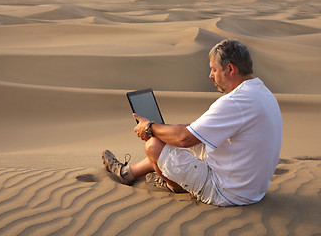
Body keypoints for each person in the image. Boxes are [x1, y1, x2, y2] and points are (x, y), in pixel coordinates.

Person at [102, 39, 282, 206]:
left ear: (230, 69)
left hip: (228, 192)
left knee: (154, 145)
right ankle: (128, 173)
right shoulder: (261, 92)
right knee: (177, 135)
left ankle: (174, 185)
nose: (210, 75)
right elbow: (191, 132)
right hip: (253, 188)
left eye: (214, 69)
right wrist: (165, 130)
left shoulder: (235, 102)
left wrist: (150, 128)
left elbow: (184, 139)